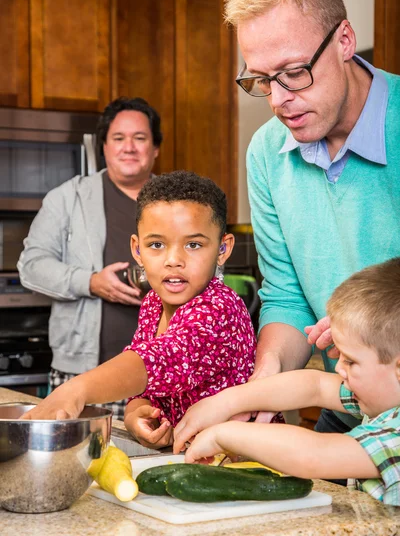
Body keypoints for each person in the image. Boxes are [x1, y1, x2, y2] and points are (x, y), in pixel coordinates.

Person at [226, 0, 400, 435]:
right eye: (261, 79)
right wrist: (267, 379)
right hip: (343, 399)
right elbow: (287, 294)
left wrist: (366, 325)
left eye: (294, 71)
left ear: (344, 40)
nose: (279, 99)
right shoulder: (266, 152)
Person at [21, 170, 257, 450]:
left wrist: (76, 390)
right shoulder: (153, 304)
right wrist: (136, 411)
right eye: (156, 245)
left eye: (193, 245)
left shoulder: (218, 307)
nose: (173, 260)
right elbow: (149, 383)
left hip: (242, 464)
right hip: (189, 461)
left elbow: (155, 361)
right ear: (137, 250)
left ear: (222, 248)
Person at [174, 258, 400, 505]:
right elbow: (314, 386)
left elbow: (313, 455)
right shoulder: (384, 395)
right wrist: (225, 402)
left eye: (351, 361)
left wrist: (223, 435)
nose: (338, 367)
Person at [17, 96, 162, 420]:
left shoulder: (175, 204)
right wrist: (91, 282)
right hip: (82, 376)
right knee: (77, 467)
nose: (129, 147)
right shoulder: (68, 198)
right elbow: (31, 266)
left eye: (140, 138)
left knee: (156, 464)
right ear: (104, 147)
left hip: (159, 373)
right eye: (119, 138)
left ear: (155, 149)